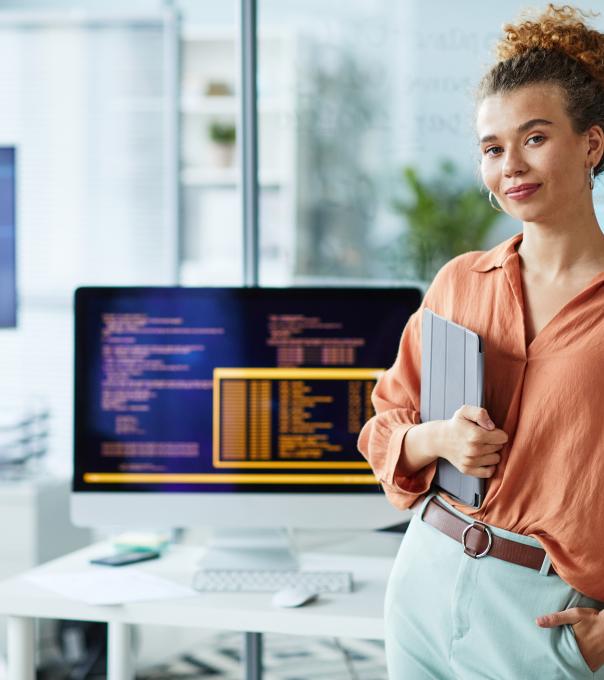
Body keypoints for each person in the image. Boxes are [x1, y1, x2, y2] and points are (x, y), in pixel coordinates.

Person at [357, 4, 604, 678]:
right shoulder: (460, 281)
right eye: (493, 148)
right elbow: (385, 425)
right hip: (425, 582)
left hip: (545, 614)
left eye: (534, 138)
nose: (511, 166)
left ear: (591, 144)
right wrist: (437, 439)